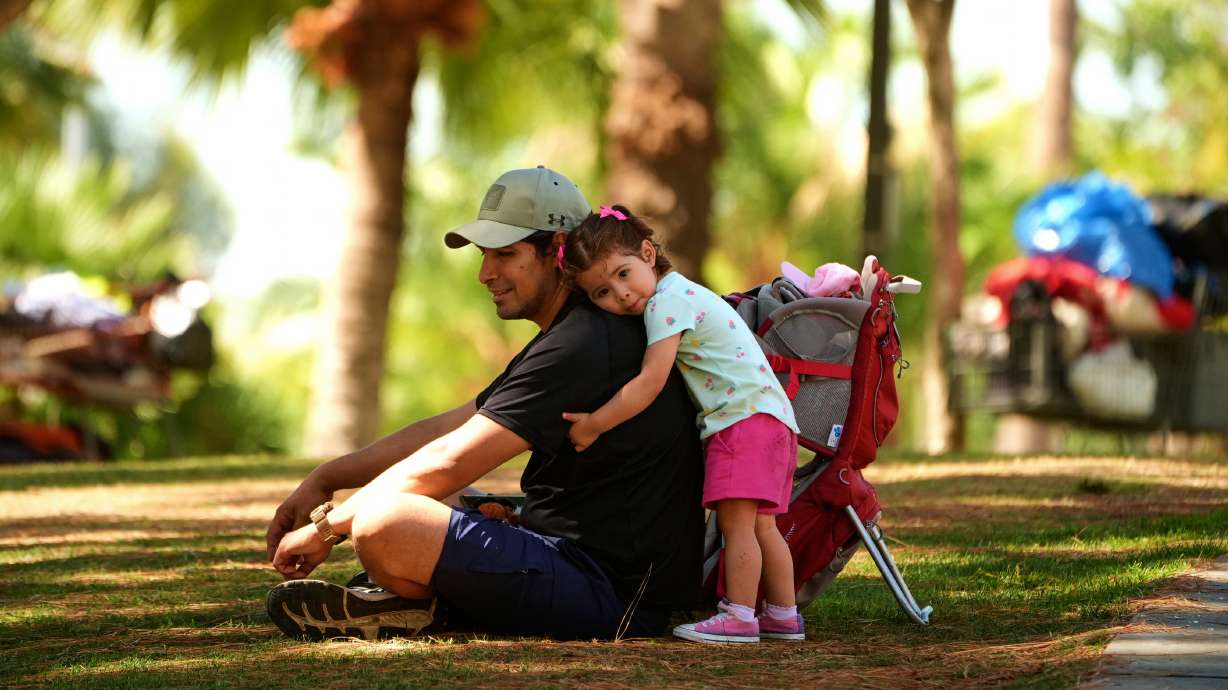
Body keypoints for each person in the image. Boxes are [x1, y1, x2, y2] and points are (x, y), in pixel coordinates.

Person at [265, 168, 705, 641]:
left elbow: (452, 460)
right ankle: (424, 605)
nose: (485, 273)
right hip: (568, 559)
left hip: (613, 594)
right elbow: (448, 430)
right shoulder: (571, 332)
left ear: (557, 250)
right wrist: (326, 478)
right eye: (485, 255)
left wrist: (327, 530)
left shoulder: (587, 341)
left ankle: (427, 605)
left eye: (505, 254)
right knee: (422, 497)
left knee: (384, 521)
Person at [560, 204, 804, 644]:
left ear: (648, 254)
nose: (621, 295)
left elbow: (649, 382)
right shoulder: (685, 292)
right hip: (773, 419)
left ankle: (740, 616)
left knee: (738, 526)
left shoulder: (665, 304)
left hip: (740, 421)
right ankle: (784, 614)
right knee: (764, 526)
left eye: (622, 273)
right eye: (601, 293)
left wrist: (594, 424)